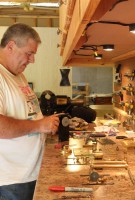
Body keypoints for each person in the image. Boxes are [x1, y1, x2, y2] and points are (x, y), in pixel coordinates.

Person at [0, 23, 60, 200]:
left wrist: (45, 123)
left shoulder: (18, 75)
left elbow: (28, 114)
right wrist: (39, 125)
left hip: (28, 174)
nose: (32, 60)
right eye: (29, 53)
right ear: (11, 46)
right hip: (12, 180)